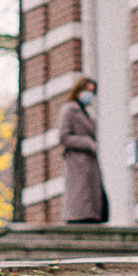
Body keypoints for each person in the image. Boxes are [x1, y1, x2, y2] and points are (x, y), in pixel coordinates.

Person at [58, 76, 107, 224]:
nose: (89, 94)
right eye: (87, 90)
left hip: (90, 163)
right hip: (77, 163)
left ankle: (93, 216)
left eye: (92, 91)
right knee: (80, 197)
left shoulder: (87, 112)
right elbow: (64, 136)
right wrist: (87, 143)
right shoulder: (69, 110)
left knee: (93, 197)